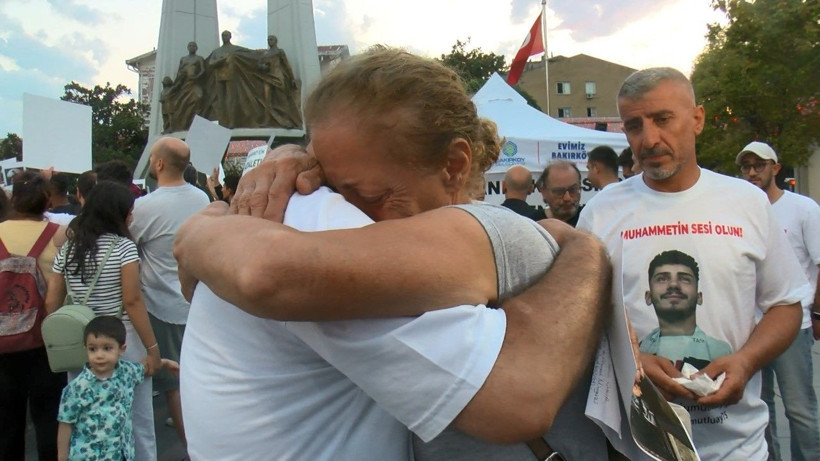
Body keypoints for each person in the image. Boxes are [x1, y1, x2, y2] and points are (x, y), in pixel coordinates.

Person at [174, 48, 611, 460]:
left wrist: (202, 227)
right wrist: (585, 249)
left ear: (455, 166)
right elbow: (519, 398)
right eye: (326, 177)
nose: (353, 211)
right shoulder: (323, 219)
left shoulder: (324, 214)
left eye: (375, 195)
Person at [577, 67, 808, 460]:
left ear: (697, 119)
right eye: (634, 126)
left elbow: (785, 304)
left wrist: (746, 361)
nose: (649, 139)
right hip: (638, 450)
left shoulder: (747, 203)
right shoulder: (600, 213)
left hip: (739, 448)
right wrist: (633, 362)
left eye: (663, 119)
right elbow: (580, 321)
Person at [45, 180, 163, 461]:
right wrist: (153, 348)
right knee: (137, 418)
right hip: (123, 339)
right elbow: (132, 301)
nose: (131, 216)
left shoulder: (69, 248)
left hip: (83, 342)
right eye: (129, 210)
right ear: (116, 213)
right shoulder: (124, 248)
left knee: (85, 417)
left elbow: (52, 301)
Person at [737, 141, 820, 461]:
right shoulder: (742, 212)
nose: (753, 172)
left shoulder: (803, 209)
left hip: (792, 325)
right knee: (762, 408)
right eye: (746, 167)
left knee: (799, 409)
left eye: (759, 165)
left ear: (775, 167)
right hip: (750, 328)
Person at [129, 137, 209, 454]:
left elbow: (128, 249)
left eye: (151, 157)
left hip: (163, 306)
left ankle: (192, 450)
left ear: (160, 164)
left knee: (173, 384)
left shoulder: (145, 207)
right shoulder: (203, 199)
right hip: (200, 303)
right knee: (198, 380)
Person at [0, 171, 68, 460]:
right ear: (48, 200)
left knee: (6, 426)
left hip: (2, 345)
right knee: (48, 421)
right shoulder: (58, 235)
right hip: (46, 342)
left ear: (13, 197)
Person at [57, 316, 178, 461]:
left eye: (107, 348)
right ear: (85, 350)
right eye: (93, 349)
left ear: (122, 349)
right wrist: (62, 457)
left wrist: (165, 362)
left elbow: (143, 367)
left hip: (120, 454)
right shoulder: (77, 387)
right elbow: (65, 424)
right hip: (88, 456)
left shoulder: (126, 373)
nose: (99, 355)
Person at [639, 249, 732, 365]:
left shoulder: (720, 352)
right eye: (662, 279)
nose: (674, 284)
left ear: (699, 297)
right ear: (649, 296)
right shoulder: (636, 352)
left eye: (684, 279)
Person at [258, 34, 301, 128]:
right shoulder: (265, 54)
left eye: (271, 39)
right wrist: (263, 67)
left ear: (275, 41)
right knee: (267, 99)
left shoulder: (279, 52)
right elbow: (259, 65)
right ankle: (267, 120)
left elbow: (286, 65)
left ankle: (286, 120)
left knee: (282, 100)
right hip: (267, 78)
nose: (269, 41)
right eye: (268, 39)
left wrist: (292, 78)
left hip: (278, 77)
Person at [532, 161, 584, 226]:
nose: (567, 198)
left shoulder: (591, 220)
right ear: (543, 192)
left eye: (572, 190)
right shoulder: (532, 224)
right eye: (559, 192)